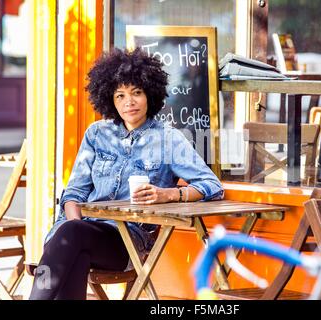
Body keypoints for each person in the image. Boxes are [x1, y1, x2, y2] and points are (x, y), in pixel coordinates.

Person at [28, 48, 224, 300]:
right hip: (76, 234)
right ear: (110, 99)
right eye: (119, 95)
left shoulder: (168, 139)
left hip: (125, 242)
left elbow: (212, 185)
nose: (128, 102)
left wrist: (170, 194)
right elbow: (73, 194)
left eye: (136, 93)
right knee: (73, 243)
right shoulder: (97, 134)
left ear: (149, 95)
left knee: (70, 237)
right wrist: (76, 224)